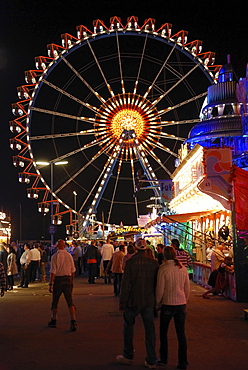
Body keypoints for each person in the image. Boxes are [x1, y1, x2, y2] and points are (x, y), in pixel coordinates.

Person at [117, 238, 159, 369]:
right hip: (148, 300)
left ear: (135, 248)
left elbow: (125, 284)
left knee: (128, 327)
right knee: (150, 330)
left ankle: (128, 355)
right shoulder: (154, 263)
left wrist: (122, 301)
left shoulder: (131, 262)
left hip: (133, 300)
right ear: (146, 248)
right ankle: (151, 359)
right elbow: (157, 284)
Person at [156, 246, 190, 369]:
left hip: (167, 304)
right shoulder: (183, 269)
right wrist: (184, 300)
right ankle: (183, 361)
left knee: (163, 332)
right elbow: (187, 288)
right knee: (181, 333)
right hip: (181, 304)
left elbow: (160, 290)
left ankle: (164, 358)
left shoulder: (163, 269)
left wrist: (158, 303)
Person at [48, 239, 77, 331]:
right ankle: (73, 320)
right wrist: (72, 282)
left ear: (57, 246)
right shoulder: (69, 256)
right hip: (68, 280)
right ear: (64, 246)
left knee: (55, 301)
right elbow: (73, 271)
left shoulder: (54, 257)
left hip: (58, 280)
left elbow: (53, 271)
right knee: (70, 301)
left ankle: (54, 319)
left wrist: (50, 283)